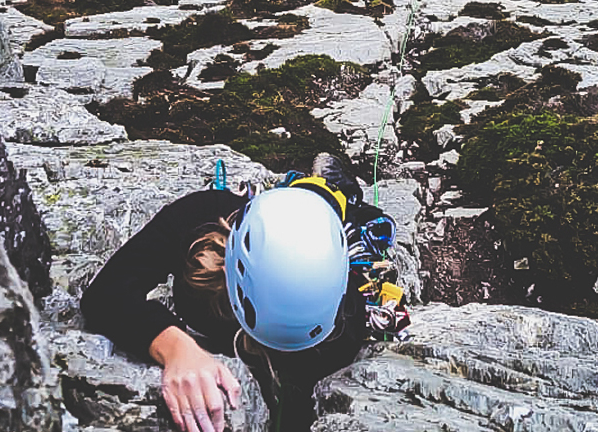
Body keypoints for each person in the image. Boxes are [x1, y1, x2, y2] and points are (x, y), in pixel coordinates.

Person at [80, 153, 407, 432]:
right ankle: (319, 189)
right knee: (318, 206)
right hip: (286, 225)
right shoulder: (201, 216)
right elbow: (106, 293)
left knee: (340, 211)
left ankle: (335, 192)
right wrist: (174, 346)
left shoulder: (338, 323)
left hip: (322, 235)